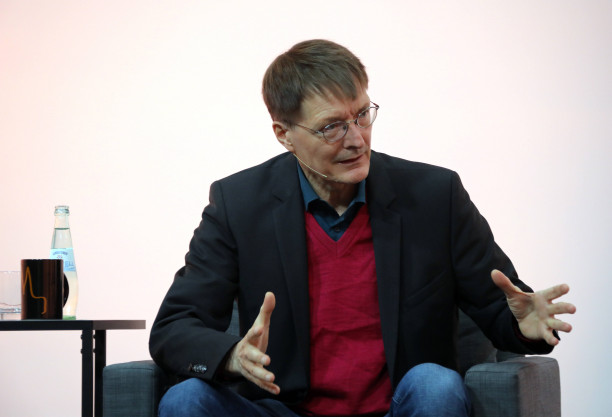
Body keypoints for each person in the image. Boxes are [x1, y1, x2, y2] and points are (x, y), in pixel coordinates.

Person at [149, 39, 575, 417]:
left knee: (435, 384)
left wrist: (524, 326)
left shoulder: (434, 196)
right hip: (283, 408)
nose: (356, 139)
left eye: (362, 116)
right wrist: (231, 357)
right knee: (186, 401)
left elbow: (502, 308)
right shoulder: (239, 204)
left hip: (401, 408)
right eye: (332, 126)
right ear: (284, 134)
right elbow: (175, 326)